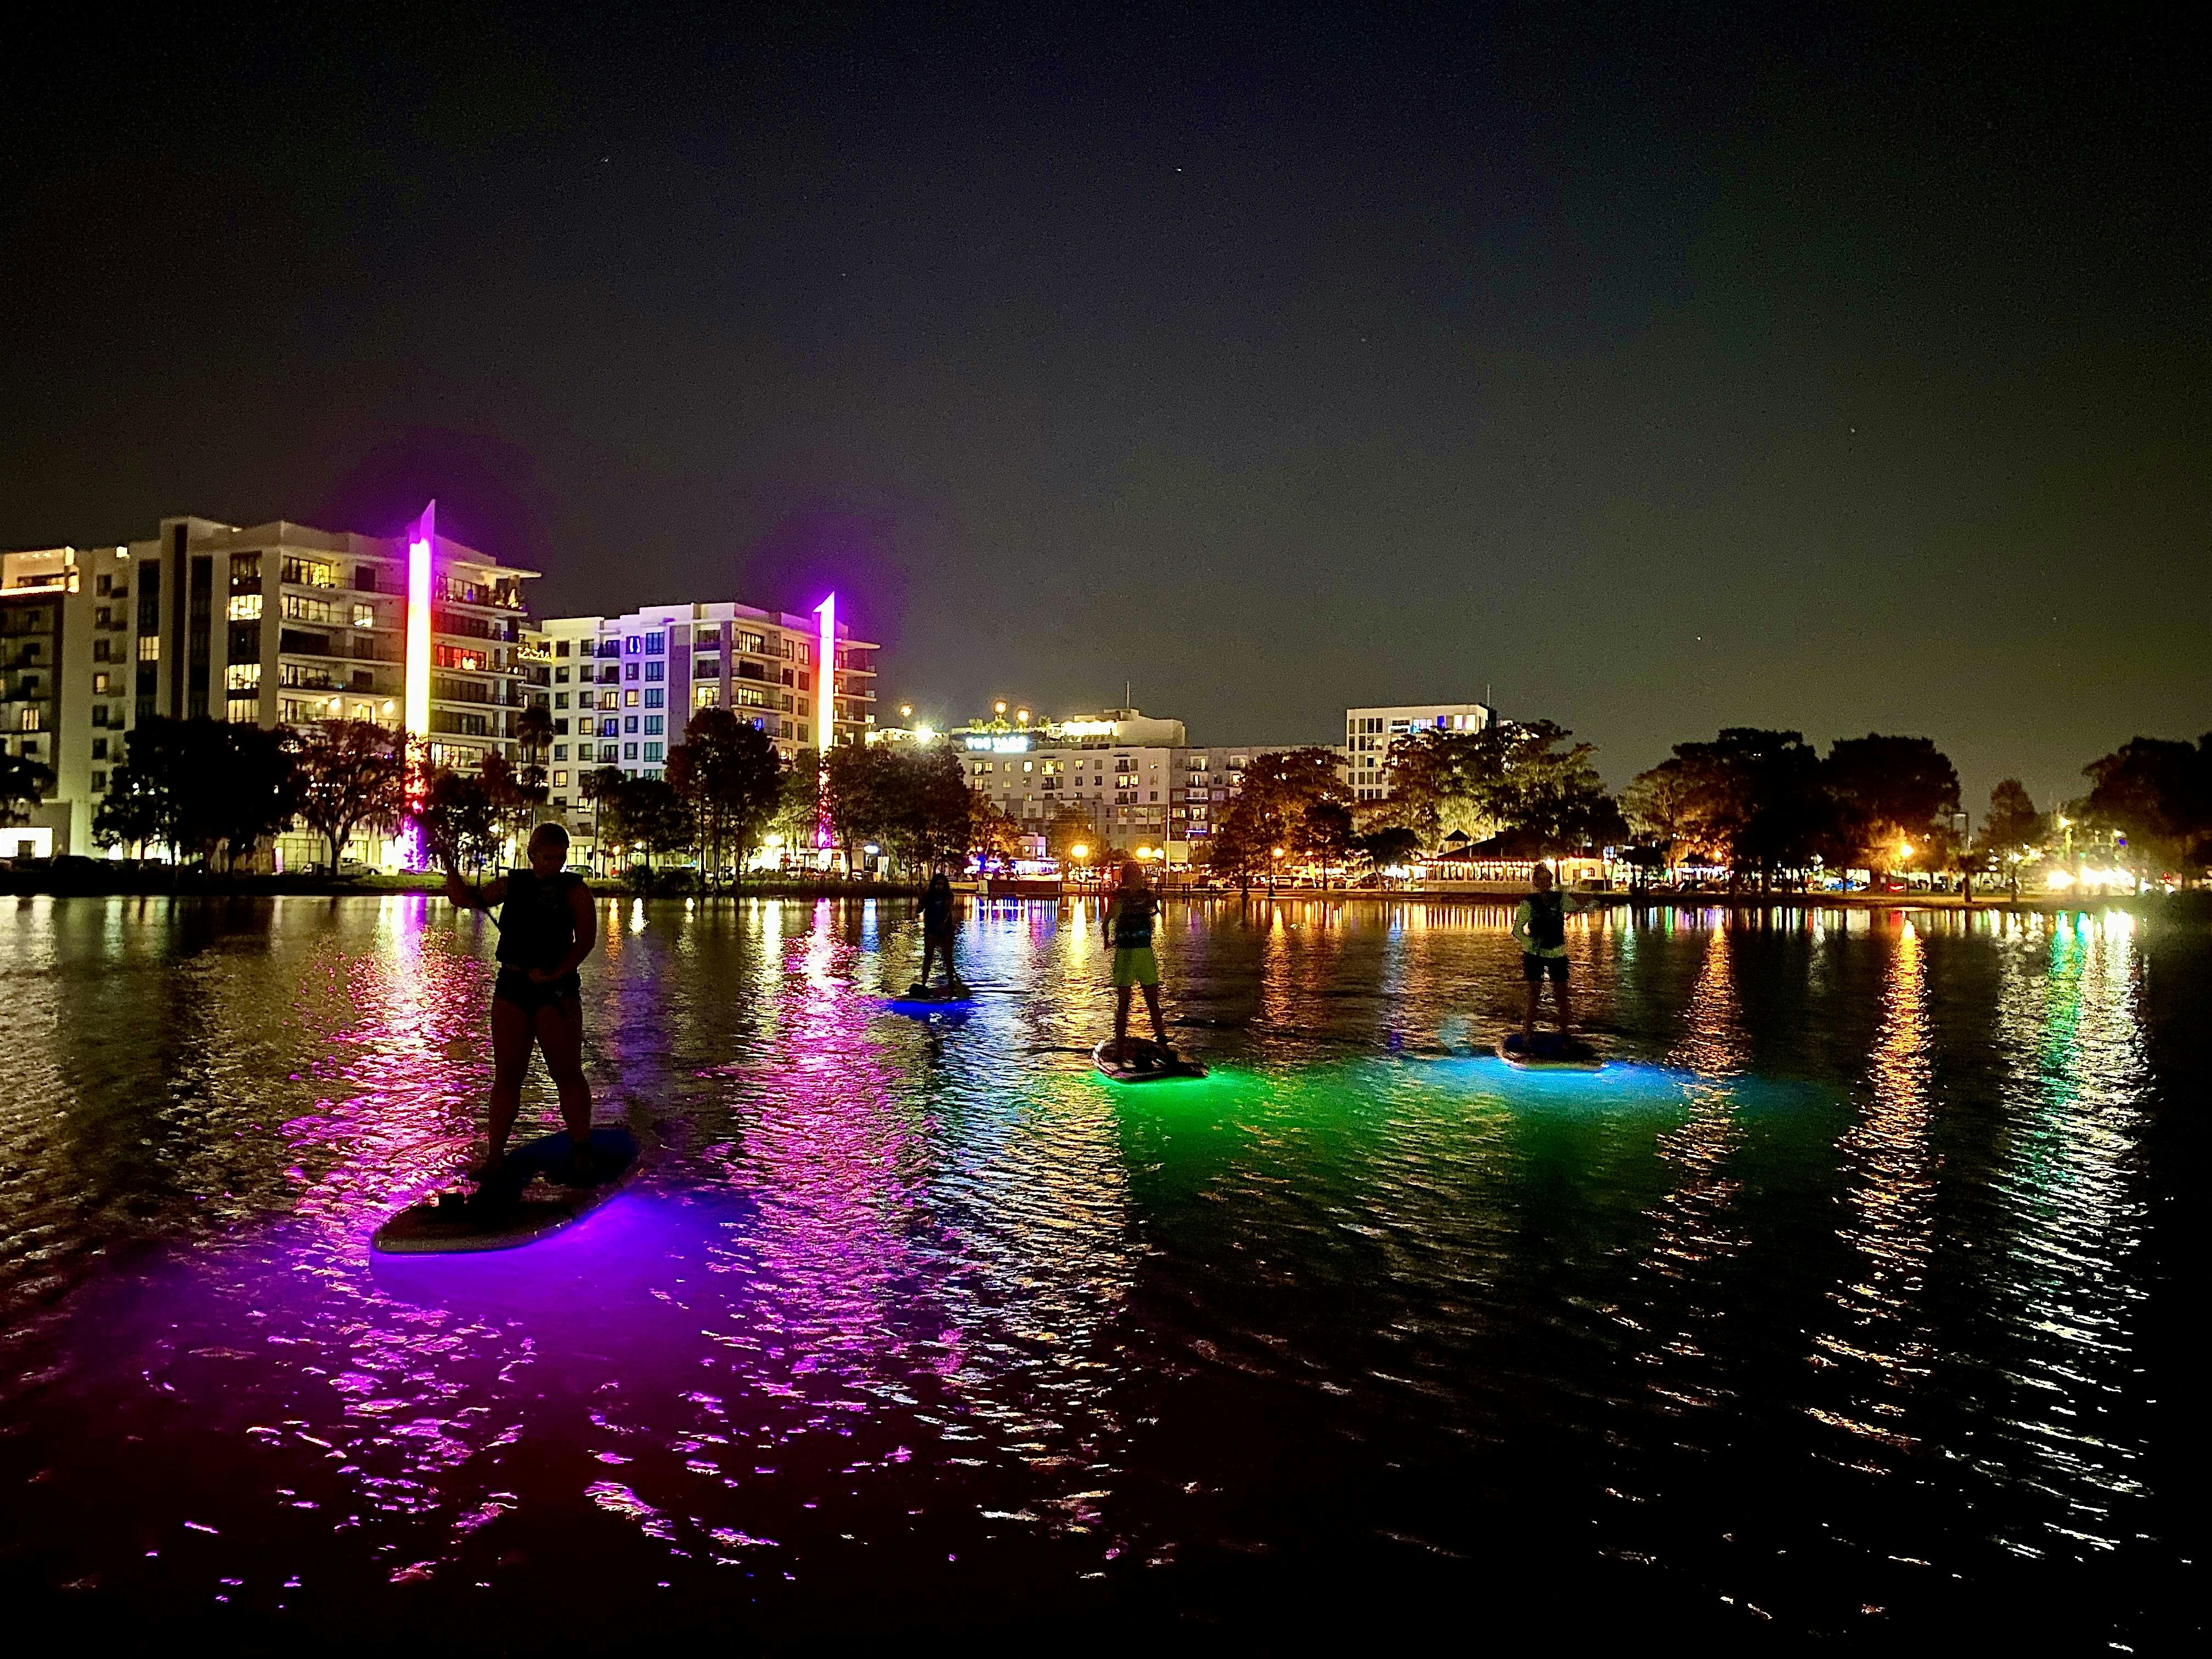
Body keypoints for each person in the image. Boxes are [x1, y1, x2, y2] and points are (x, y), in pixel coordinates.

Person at [444, 822, 600, 1182]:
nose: (555, 864)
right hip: (513, 988)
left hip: (556, 991)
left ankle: (581, 1151)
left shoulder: (574, 890)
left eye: (561, 858)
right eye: (548, 857)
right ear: (531, 854)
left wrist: (554, 973)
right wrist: (450, 868)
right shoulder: (513, 884)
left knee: (567, 1074)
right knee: (507, 1077)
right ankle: (495, 1156)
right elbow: (468, 899)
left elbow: (585, 942)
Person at [1103, 857, 1172, 1064]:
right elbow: (1156, 910)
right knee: (1153, 1001)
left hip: (1125, 953)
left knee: (1124, 1002)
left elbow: (1107, 922)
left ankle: (1120, 1048)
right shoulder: (1147, 896)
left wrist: (1107, 940)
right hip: (1144, 952)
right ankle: (1163, 1044)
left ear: (1123, 877)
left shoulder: (1119, 898)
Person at [1511, 861, 1583, 1046]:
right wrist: (1532, 942)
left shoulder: (1562, 900)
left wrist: (1581, 904)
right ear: (1535, 883)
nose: (1544, 883)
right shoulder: (1528, 904)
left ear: (1551, 882)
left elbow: (1576, 907)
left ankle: (1565, 1034)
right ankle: (1527, 1033)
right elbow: (1517, 931)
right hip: (1534, 954)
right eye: (1540, 880)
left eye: (1547, 880)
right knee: (1534, 994)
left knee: (1561, 996)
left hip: (1557, 952)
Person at [918, 870, 961, 988]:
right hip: (931, 929)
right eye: (938, 883)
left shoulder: (948, 896)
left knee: (947, 956)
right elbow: (919, 910)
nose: (940, 886)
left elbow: (948, 912)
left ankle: (951, 981)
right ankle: (924, 982)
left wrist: (943, 925)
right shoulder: (928, 896)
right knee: (928, 956)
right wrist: (921, 900)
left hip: (945, 930)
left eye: (942, 884)